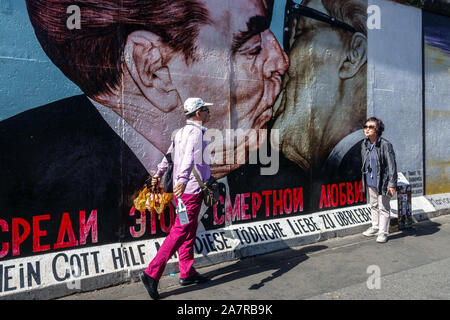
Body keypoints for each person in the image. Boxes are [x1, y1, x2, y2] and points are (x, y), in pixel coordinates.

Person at [0, 0, 288, 258]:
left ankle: (181, 269)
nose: (281, 61)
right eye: (252, 48)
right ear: (153, 68)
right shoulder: (21, 173)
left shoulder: (277, 162)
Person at [271, 0, 367, 183]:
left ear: (354, 54)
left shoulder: (354, 164)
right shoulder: (340, 165)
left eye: (299, 34)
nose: (284, 61)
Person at [139, 97, 212, 300]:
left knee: (188, 229)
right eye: (206, 110)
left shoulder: (180, 133)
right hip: (189, 191)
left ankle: (186, 272)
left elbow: (168, 157)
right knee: (180, 231)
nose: (208, 113)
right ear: (198, 112)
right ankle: (151, 274)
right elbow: (188, 156)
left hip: (185, 192)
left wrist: (158, 174)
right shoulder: (196, 133)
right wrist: (181, 180)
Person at [361, 117, 397, 243]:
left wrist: (392, 184)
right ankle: (375, 226)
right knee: (374, 204)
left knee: (383, 207)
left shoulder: (385, 144)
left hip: (383, 181)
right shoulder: (365, 144)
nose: (367, 129)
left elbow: (391, 165)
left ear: (378, 129)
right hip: (371, 180)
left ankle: (383, 232)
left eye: (371, 127)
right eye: (365, 127)